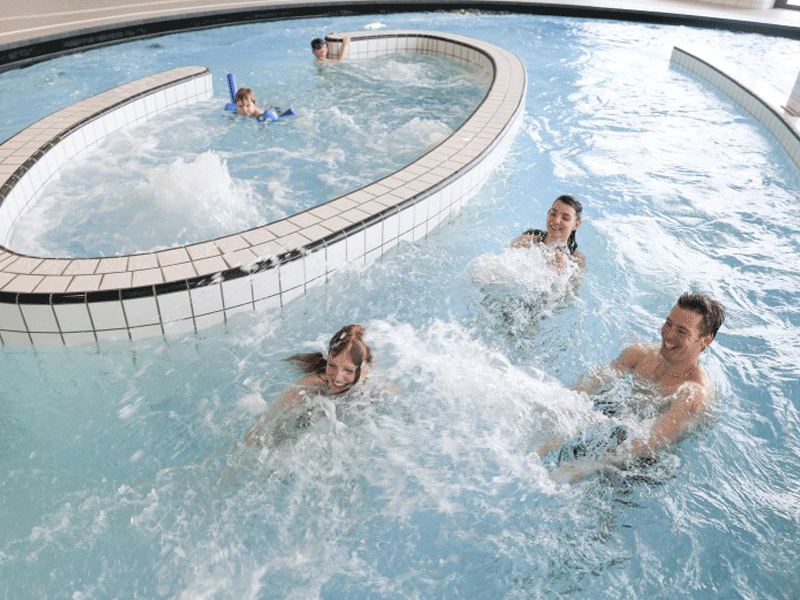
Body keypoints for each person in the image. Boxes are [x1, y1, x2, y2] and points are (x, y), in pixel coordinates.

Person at [548, 292, 726, 483]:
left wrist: (589, 465)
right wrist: (561, 409)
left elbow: (651, 443)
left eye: (682, 331)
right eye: (668, 323)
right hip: (625, 423)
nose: (669, 335)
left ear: (706, 340)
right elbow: (590, 384)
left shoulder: (693, 393)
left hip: (651, 459)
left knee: (603, 481)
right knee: (563, 429)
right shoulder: (639, 354)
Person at [245, 324, 372, 448]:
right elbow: (283, 403)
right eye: (332, 366)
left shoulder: (373, 383)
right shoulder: (317, 382)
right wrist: (260, 430)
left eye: (348, 371)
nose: (337, 377)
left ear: (365, 368)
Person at [511, 194, 584, 267]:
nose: (556, 221)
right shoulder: (524, 242)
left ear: (576, 225)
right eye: (553, 214)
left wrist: (561, 272)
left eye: (565, 218)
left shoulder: (576, 260)